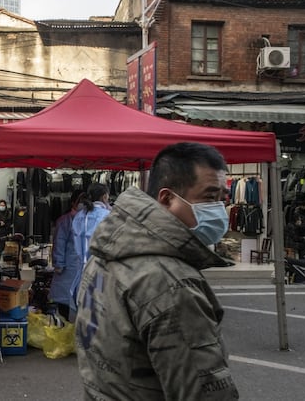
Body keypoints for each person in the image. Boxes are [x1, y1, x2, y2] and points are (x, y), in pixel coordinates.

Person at [75, 142, 238, 400]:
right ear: (167, 198)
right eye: (209, 197)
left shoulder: (103, 255)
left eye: (221, 199)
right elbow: (202, 392)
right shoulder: (171, 284)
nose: (219, 209)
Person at [69, 183, 111, 316]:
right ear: (105, 197)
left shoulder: (79, 216)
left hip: (80, 275)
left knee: (81, 318)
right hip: (100, 276)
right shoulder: (108, 216)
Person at [48, 190, 85, 319]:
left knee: (80, 300)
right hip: (67, 267)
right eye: (80, 202)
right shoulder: (65, 220)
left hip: (82, 266)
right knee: (65, 300)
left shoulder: (88, 219)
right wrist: (58, 263)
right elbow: (59, 242)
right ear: (73, 203)